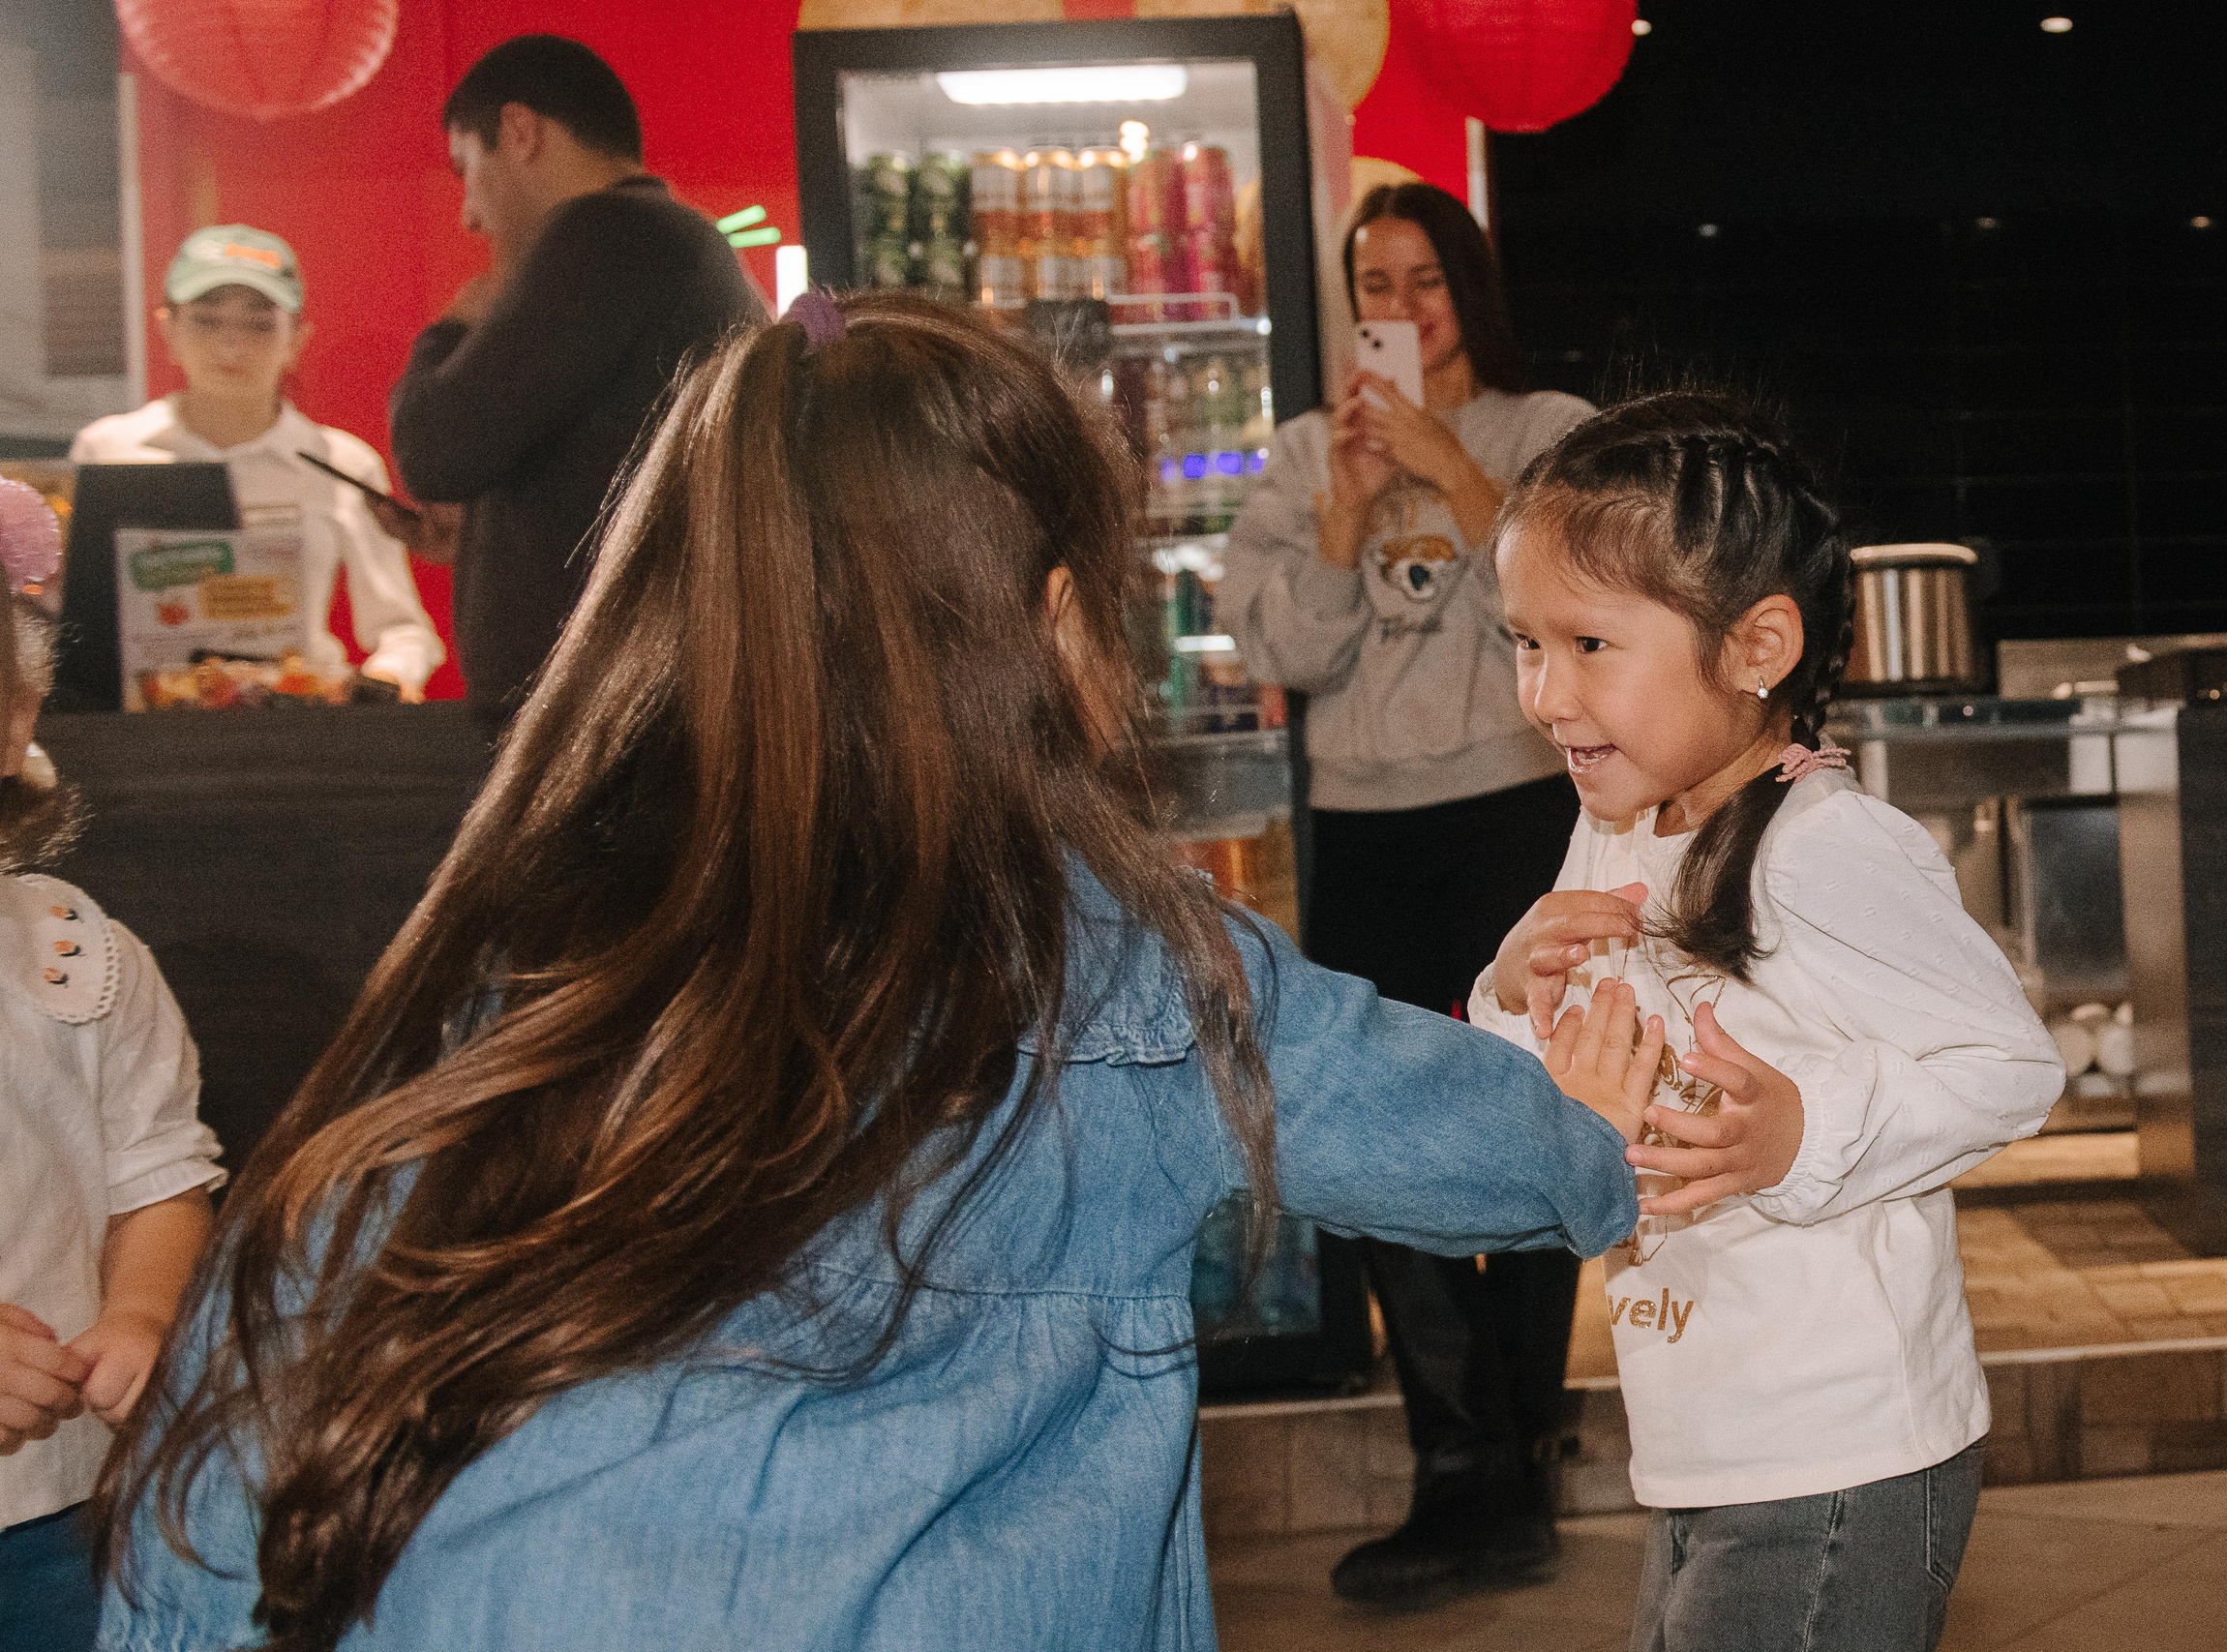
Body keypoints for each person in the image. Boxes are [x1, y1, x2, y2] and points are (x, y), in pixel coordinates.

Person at [96, 292, 1658, 1652]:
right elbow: (1476, 1146)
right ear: (1052, 624)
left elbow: (211, 1505)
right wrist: (1582, 1119)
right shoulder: (1120, 964)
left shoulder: (500, 975)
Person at [1473, 392, 2066, 1652]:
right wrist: (1510, 987)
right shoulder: (1621, 822)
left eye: (1588, 644)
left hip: (1840, 1448)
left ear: (1757, 646)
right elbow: (1572, 1071)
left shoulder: (1824, 847)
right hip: (1702, 1427)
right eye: (1523, 641)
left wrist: (1801, 1133)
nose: (1543, 691)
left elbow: (2011, 1064)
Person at [1219, 180, 1597, 1606]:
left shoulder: (1542, 428)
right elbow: (1293, 654)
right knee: (1362, 1121)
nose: (1398, 309)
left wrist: (1443, 460)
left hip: (1515, 806)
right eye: (1373, 282)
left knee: (1538, 1104)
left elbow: (1560, 596)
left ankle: (1508, 1464)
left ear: (1469, 288)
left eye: (1423, 279)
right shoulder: (1306, 451)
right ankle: (1469, 1464)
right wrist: (1344, 515)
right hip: (1363, 823)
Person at [0, 479, 225, 1652]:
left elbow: (157, 1171)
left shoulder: (78, 959)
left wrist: (139, 1313)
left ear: (14, 721)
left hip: (61, 1511)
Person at [386, 34, 765, 717]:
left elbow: (435, 448)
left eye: (464, 167)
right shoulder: (666, 240)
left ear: (519, 132)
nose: (468, 213)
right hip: (639, 702)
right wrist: (485, 536)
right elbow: (606, 479)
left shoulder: (610, 232)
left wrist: (453, 326)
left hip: (611, 722)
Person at [70, 227, 444, 702]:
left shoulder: (343, 463)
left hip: (299, 733)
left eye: (259, 324)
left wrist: (381, 688)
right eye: (207, 320)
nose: (231, 345)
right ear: (169, 331)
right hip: (142, 738)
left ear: (297, 339)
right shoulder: (106, 450)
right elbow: (65, 620)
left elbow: (402, 631)